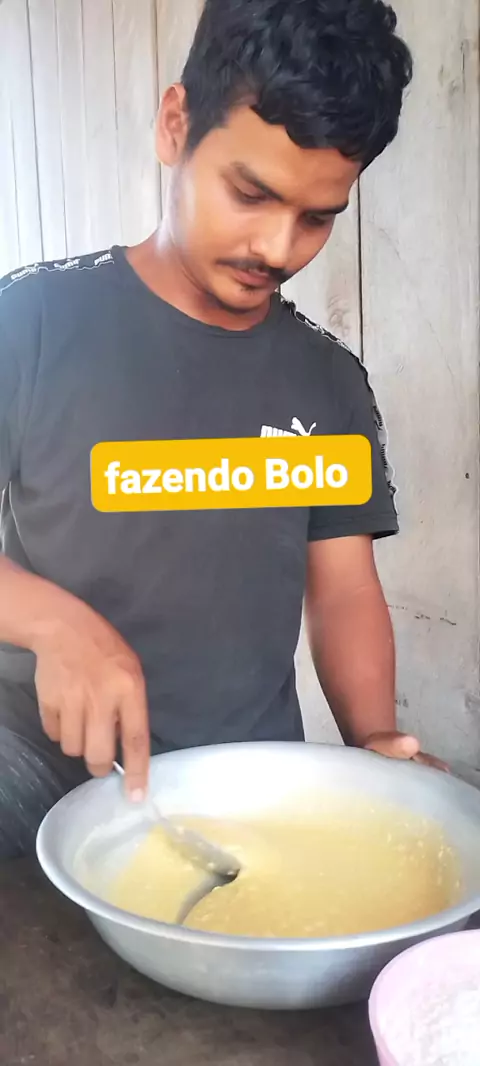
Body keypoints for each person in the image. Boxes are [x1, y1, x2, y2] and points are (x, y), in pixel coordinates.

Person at [0, 0, 444, 860]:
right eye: (250, 193)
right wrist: (53, 623)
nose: (277, 248)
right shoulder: (30, 324)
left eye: (317, 217)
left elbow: (344, 589)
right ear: (176, 125)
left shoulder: (327, 381)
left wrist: (372, 745)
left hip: (246, 796)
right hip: (36, 783)